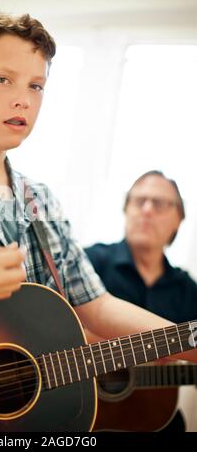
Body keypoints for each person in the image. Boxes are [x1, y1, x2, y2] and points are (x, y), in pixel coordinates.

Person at [0, 13, 196, 368]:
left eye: (35, 86)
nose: (23, 99)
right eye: (3, 79)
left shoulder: (40, 199)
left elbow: (96, 305)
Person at [85, 170, 197, 431]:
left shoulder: (188, 291)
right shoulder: (89, 264)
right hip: (87, 420)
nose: (146, 210)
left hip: (154, 422)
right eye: (138, 201)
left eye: (158, 204)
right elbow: (48, 329)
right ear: (126, 210)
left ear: (178, 220)